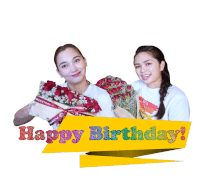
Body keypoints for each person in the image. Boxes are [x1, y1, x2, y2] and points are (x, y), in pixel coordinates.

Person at [14, 44, 115, 129]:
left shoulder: (102, 96)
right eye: (64, 66)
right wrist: (36, 106)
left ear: (85, 61)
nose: (73, 69)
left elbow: (110, 133)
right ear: (59, 72)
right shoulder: (52, 93)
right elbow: (16, 121)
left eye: (76, 60)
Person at [132, 46, 190, 121]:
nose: (142, 70)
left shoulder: (177, 98)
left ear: (161, 65)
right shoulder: (136, 86)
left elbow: (178, 132)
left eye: (148, 64)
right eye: (138, 66)